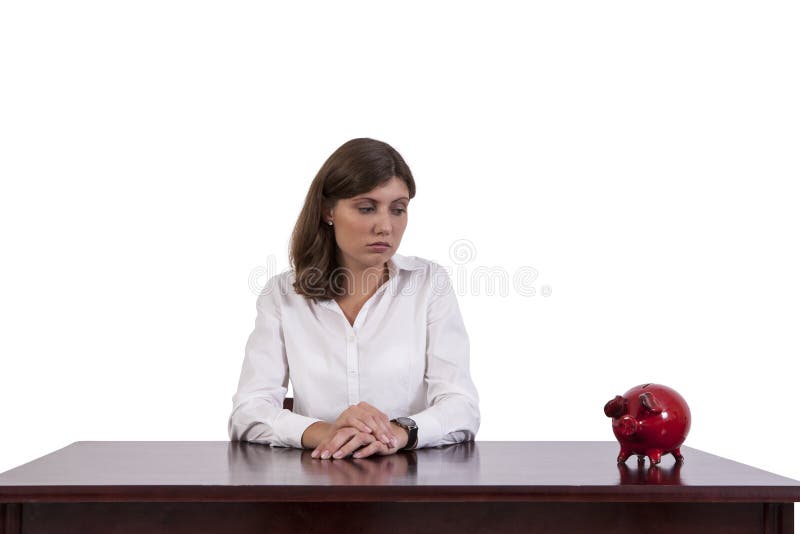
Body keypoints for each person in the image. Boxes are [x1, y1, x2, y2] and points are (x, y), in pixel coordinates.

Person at [228, 138, 480, 460]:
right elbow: (248, 411)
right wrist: (327, 432)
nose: (385, 226)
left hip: (409, 486)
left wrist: (397, 432)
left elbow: (462, 406)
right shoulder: (282, 295)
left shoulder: (429, 284)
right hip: (316, 482)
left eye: (398, 209)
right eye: (366, 208)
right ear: (328, 211)